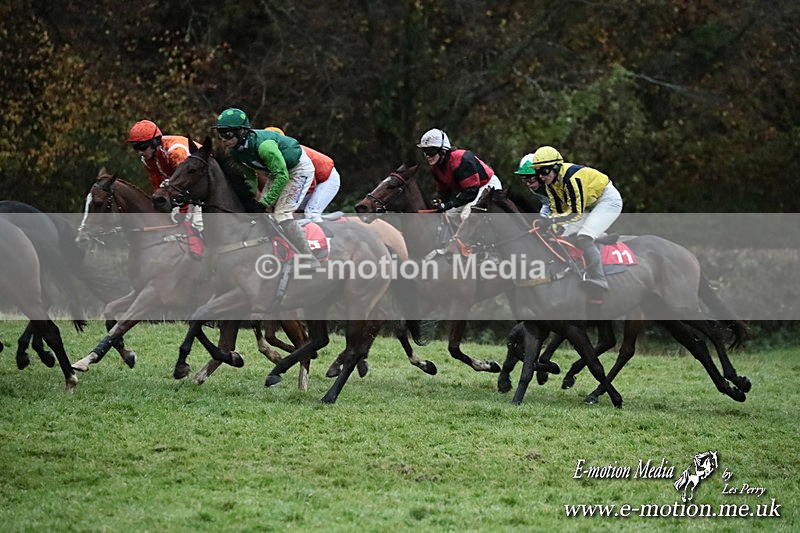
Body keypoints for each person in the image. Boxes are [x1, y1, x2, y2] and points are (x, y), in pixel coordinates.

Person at [212, 108, 319, 268]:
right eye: (220, 134)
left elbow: (282, 175)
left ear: (242, 132)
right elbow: (250, 177)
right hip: (276, 172)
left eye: (227, 134)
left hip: (298, 170)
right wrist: (252, 200)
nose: (223, 140)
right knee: (264, 212)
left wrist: (265, 201)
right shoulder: (236, 152)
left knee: (281, 214)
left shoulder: (264, 146)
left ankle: (308, 256)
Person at [525, 145, 623, 291]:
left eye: (544, 171)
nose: (541, 176)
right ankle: (585, 255)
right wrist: (548, 224)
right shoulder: (550, 184)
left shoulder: (572, 179)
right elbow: (558, 212)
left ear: (556, 168)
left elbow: (575, 213)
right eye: (538, 173)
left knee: (584, 237)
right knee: (561, 236)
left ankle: (599, 278)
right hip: (588, 205)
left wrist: (551, 220)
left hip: (607, 200)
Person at [417, 128, 502, 221]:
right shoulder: (435, 167)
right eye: (425, 152)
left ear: (443, 150)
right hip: (470, 191)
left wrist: (449, 204)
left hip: (487, 186)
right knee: (449, 215)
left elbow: (471, 191)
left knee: (466, 215)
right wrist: (440, 201)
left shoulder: (462, 159)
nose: (427, 156)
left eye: (431, 151)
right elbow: (444, 191)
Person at [266, 127, 341, 222]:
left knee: (311, 214)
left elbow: (309, 183)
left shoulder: (292, 154)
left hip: (327, 179)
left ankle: (325, 237)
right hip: (314, 179)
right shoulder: (276, 156)